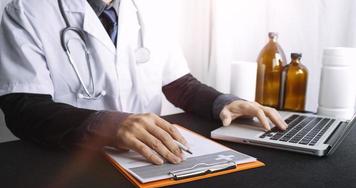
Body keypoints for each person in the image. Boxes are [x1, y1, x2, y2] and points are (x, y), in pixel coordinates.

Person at [0, 0, 287, 165]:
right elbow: (23, 108)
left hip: (149, 160)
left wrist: (223, 102)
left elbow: (179, 84)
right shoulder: (27, 11)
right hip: (68, 164)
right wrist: (108, 125)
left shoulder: (150, 8)